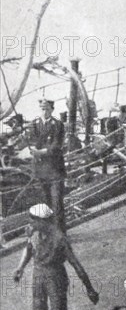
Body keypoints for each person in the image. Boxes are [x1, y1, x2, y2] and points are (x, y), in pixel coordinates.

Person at [13, 203, 99, 310]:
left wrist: (89, 288)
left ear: (42, 221)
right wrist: (20, 267)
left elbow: (75, 263)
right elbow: (29, 248)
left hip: (55, 276)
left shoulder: (59, 238)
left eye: (33, 219)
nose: (30, 222)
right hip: (38, 275)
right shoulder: (34, 233)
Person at [29, 99, 67, 232]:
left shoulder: (57, 124)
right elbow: (32, 140)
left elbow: (56, 145)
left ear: (52, 109)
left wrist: (40, 151)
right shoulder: (34, 124)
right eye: (42, 108)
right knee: (45, 202)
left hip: (55, 169)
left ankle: (61, 233)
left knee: (57, 202)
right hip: (40, 170)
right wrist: (33, 149)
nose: (44, 111)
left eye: (47, 109)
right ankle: (49, 232)